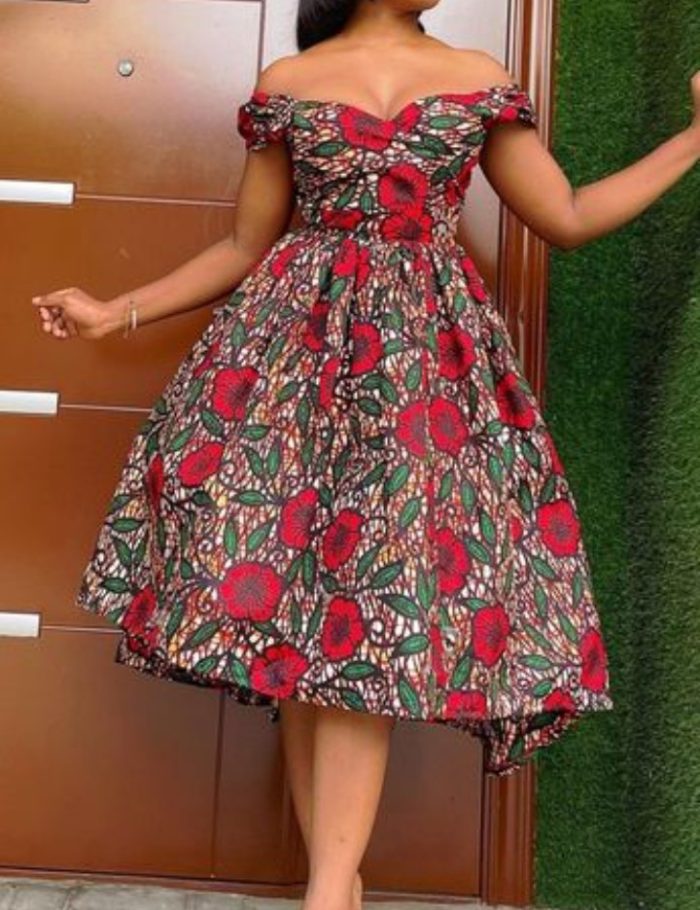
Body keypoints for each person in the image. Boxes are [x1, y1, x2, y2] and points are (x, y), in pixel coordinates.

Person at [31, 2, 699, 909]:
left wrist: (695, 139)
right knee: (305, 620)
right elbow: (245, 244)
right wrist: (119, 310)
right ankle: (335, 885)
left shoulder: (479, 78)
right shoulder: (288, 83)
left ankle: (328, 891)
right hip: (287, 369)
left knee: (365, 616)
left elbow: (568, 215)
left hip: (421, 381)